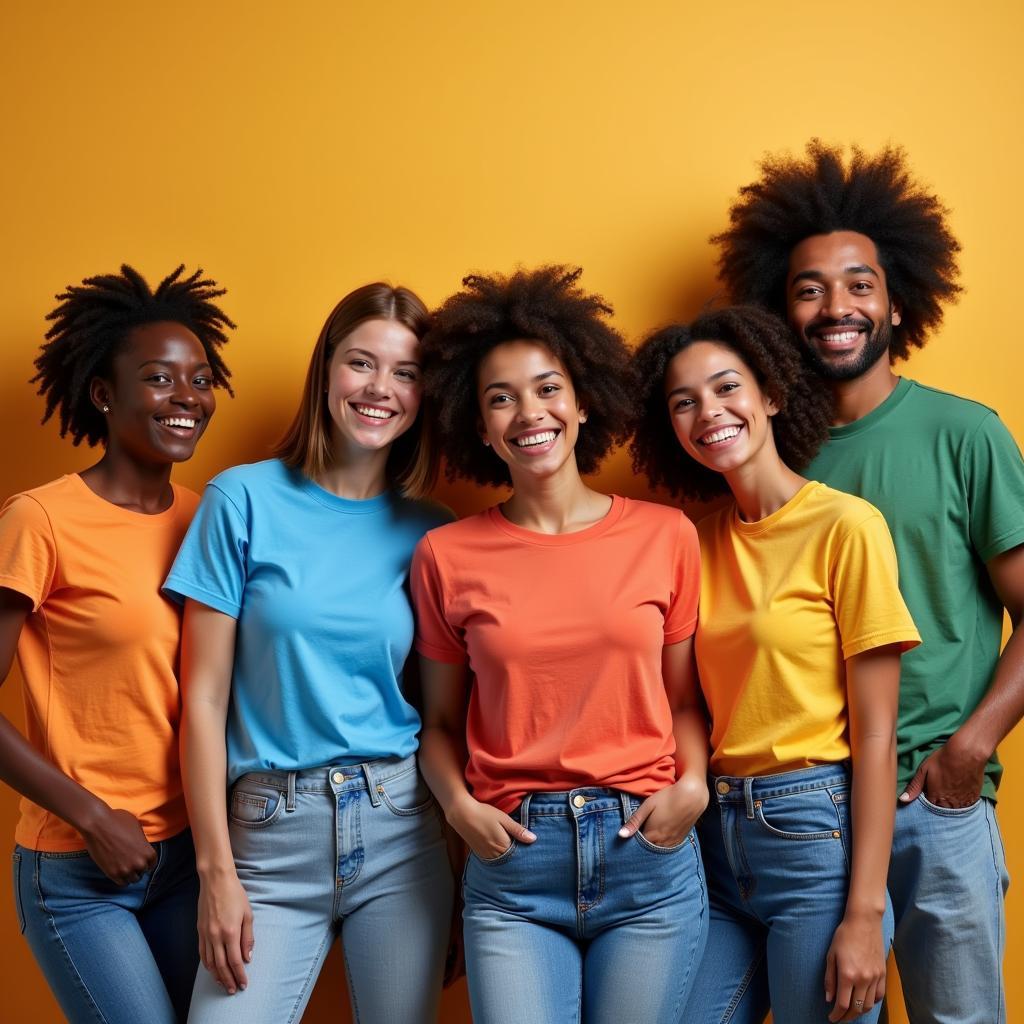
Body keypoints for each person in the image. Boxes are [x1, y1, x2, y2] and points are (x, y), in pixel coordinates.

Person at [714, 140, 1024, 1024]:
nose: (836, 306)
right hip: (800, 814)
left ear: (897, 299)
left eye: (859, 283)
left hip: (930, 802)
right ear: (780, 309)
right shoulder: (764, 452)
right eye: (809, 289)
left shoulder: (964, 436)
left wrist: (970, 749)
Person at [410, 266, 709, 1024]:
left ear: (581, 404)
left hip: (648, 849)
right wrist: (458, 809)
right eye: (500, 398)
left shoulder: (664, 536)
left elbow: (683, 699)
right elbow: (440, 724)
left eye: (547, 388)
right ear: (478, 426)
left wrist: (694, 786)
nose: (528, 413)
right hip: (514, 863)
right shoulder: (446, 555)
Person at [164, 282, 454, 1024]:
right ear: (327, 370)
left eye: (406, 372)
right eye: (362, 363)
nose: (380, 389)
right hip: (267, 833)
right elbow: (201, 700)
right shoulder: (241, 500)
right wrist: (216, 874)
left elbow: (444, 710)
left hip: (400, 827)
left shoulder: (434, 532)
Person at [631, 305, 920, 1023]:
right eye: (684, 402)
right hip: (715, 843)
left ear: (772, 394)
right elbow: (684, 701)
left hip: (813, 835)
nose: (709, 412)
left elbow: (878, 736)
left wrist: (864, 912)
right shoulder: (690, 544)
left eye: (728, 388)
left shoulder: (846, 526)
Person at [0, 264, 234, 1023]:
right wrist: (94, 816)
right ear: (103, 393)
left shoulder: (212, 517)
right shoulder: (41, 521)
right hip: (78, 865)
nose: (188, 398)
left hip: (190, 860)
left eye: (200, 379)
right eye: (160, 379)